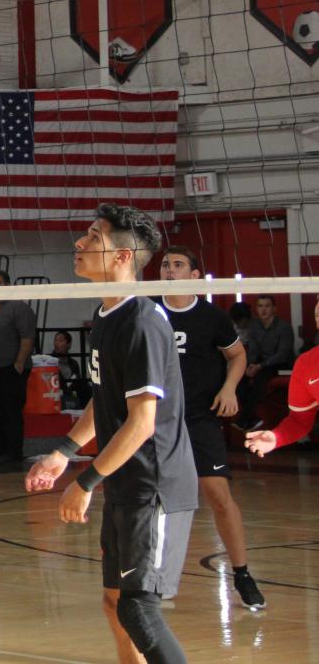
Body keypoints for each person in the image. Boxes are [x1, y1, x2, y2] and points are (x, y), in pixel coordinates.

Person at [26, 204, 197, 664]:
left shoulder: (141, 322)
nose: (79, 244)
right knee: (114, 603)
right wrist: (64, 452)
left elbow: (141, 424)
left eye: (93, 237)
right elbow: (105, 403)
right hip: (127, 481)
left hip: (155, 485)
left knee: (138, 608)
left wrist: (84, 483)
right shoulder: (106, 316)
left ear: (122, 256)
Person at [159, 248, 264, 609]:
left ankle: (243, 574)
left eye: (177, 265)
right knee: (154, 501)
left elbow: (237, 355)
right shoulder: (147, 312)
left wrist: (230, 387)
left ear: (194, 275)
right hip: (155, 420)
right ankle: (154, 580)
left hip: (199, 417)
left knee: (219, 496)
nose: (170, 270)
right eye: (165, 265)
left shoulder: (211, 317)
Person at [245, 298, 319, 457]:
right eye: (318, 315)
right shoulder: (306, 364)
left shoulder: (283, 329)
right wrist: (276, 437)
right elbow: (299, 421)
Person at [0, 270, 36, 463]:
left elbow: (27, 337)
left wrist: (19, 365)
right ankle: (1, 450)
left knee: (11, 411)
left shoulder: (18, 307)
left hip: (11, 369)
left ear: (7, 285)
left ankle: (13, 452)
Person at [236, 295, 295, 429]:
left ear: (274, 309)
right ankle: (251, 418)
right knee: (239, 376)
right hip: (260, 363)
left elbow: (282, 354)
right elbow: (253, 350)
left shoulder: (284, 327)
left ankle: (244, 418)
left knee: (262, 375)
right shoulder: (255, 325)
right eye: (260, 306)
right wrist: (250, 365)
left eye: (267, 306)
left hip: (282, 364)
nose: (263, 310)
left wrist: (259, 366)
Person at [50, 331, 91, 410]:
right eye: (55, 340)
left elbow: (77, 379)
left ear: (68, 344)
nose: (56, 343)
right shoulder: (50, 362)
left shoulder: (73, 363)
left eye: (60, 341)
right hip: (59, 393)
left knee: (87, 388)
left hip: (72, 392)